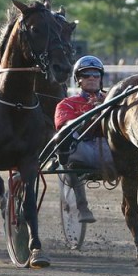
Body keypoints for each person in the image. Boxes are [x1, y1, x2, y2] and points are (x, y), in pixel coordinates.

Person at [54, 55, 114, 223]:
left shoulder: (113, 99)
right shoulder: (67, 103)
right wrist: (91, 115)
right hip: (82, 151)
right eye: (86, 75)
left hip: (111, 149)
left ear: (101, 78)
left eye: (96, 75)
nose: (92, 78)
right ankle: (82, 207)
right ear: (78, 80)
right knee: (65, 138)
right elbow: (65, 128)